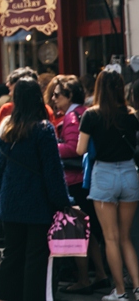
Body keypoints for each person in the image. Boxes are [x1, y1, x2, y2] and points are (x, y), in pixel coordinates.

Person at [0, 78, 73, 301]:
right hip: (37, 204)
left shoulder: (6, 128)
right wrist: (63, 202)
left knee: (11, 254)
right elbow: (53, 170)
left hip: (10, 202)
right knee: (36, 258)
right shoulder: (43, 129)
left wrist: (3, 193)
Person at [77, 69, 139, 301]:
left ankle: (120, 292)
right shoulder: (131, 115)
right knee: (125, 237)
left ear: (99, 89)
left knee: (111, 238)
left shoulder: (91, 116)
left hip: (104, 174)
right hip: (129, 173)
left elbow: (80, 149)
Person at [52, 75, 109, 294]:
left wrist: (50, 147)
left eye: (57, 95)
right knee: (90, 231)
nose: (54, 99)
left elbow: (74, 147)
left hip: (75, 181)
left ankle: (84, 279)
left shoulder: (72, 117)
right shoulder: (85, 112)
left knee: (77, 232)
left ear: (69, 96)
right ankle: (101, 275)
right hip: (88, 179)